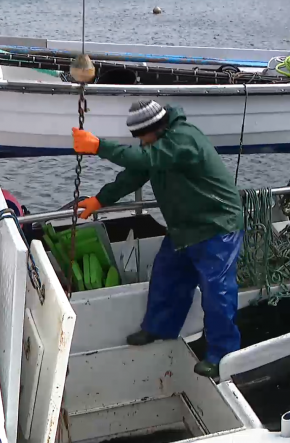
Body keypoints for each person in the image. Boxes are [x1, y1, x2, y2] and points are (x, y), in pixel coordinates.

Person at [72, 100, 244, 378]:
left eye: (141, 135)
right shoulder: (157, 147)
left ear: (154, 128)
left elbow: (145, 160)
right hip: (184, 228)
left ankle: (222, 354)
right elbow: (134, 174)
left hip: (217, 226)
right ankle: (159, 327)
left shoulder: (183, 139)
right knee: (166, 275)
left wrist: (98, 146)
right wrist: (100, 200)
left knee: (217, 293)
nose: (139, 141)